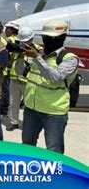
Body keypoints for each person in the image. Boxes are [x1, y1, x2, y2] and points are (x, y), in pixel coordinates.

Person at [21, 20, 79, 154]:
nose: (48, 40)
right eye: (45, 37)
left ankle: (55, 175)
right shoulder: (39, 54)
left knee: (54, 150)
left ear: (63, 38)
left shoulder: (70, 59)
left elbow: (56, 77)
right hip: (31, 108)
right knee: (27, 146)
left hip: (53, 112)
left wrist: (36, 57)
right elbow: (23, 74)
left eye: (52, 38)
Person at [5, 27, 42, 131]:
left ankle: (28, 123)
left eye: (26, 41)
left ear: (32, 39)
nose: (24, 43)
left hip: (28, 80)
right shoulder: (16, 48)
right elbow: (9, 60)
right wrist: (16, 53)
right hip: (14, 78)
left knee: (29, 104)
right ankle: (13, 122)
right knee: (13, 103)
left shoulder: (37, 49)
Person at [0, 21, 19, 116]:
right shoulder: (18, 39)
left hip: (9, 68)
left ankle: (3, 108)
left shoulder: (9, 41)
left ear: (11, 30)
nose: (5, 30)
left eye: (7, 28)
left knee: (4, 90)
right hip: (16, 69)